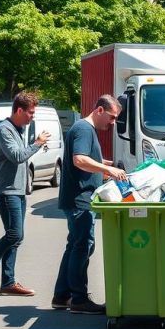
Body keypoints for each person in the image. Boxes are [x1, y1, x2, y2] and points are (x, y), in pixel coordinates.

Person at [52, 94, 127, 314]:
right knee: (83, 246)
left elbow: (84, 158)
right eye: (112, 118)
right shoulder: (84, 129)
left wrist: (104, 163)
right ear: (100, 110)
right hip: (79, 200)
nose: (113, 123)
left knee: (76, 245)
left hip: (78, 198)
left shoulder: (83, 129)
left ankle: (61, 295)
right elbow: (79, 160)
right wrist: (108, 170)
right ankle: (78, 299)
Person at [0, 91, 51, 298]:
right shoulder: (4, 130)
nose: (32, 117)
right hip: (6, 191)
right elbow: (17, 156)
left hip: (17, 190)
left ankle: (8, 282)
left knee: (16, 237)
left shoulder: (18, 129)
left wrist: (34, 146)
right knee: (14, 234)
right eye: (30, 113)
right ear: (19, 110)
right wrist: (36, 143)